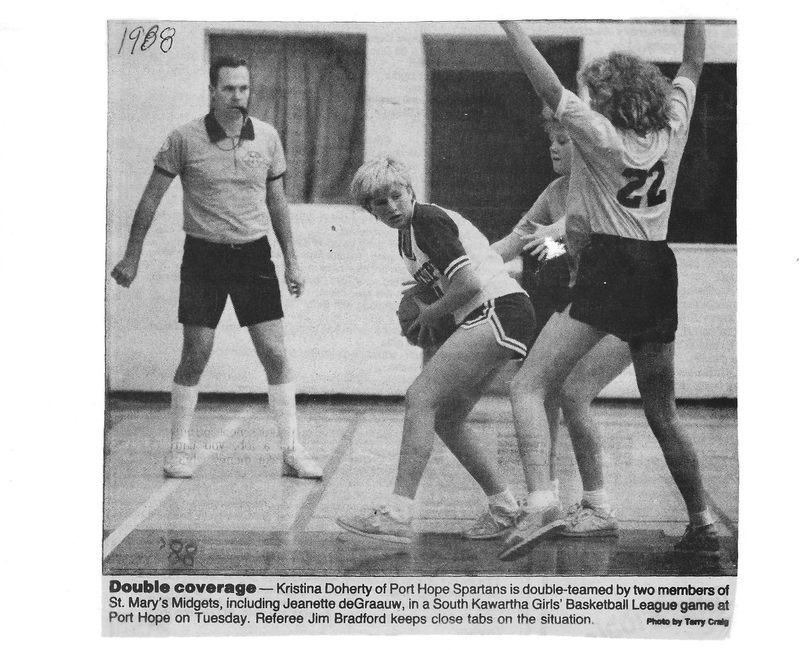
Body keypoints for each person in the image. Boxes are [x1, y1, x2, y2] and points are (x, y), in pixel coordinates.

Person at [499, 20, 721, 558]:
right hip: (658, 269)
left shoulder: (599, 137)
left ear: (609, 100)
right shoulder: (672, 128)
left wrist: (508, 22)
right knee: (663, 411)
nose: (588, 100)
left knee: (528, 385)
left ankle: (542, 504)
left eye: (594, 93)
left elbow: (545, 82)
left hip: (612, 266)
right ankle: (704, 523)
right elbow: (692, 63)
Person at [110, 56, 322, 480]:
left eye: (243, 88)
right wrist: (132, 256)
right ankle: (179, 448)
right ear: (212, 91)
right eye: (228, 89)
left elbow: (277, 203)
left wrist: (292, 262)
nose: (237, 96)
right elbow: (150, 200)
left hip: (253, 257)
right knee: (196, 353)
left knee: (275, 353)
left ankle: (291, 451)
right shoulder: (183, 139)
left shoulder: (267, 137)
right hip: (203, 258)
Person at [336, 156, 537, 544]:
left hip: (498, 309)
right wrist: (427, 293)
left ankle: (397, 513)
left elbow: (469, 285)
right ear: (369, 209)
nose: (391, 206)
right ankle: (505, 508)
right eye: (380, 202)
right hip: (501, 313)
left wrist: (430, 313)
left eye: (396, 195)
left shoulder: (426, 220)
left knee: (420, 397)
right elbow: (457, 281)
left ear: (410, 191)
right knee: (447, 418)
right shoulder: (407, 237)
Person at [492, 110, 631, 539]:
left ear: (585, 147)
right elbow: (513, 242)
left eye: (564, 141)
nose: (554, 148)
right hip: (587, 307)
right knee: (547, 390)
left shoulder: (604, 186)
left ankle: (599, 506)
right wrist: (461, 263)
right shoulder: (553, 191)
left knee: (573, 393)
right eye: (551, 140)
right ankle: (547, 499)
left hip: (627, 306)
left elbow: (576, 227)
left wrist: (554, 234)